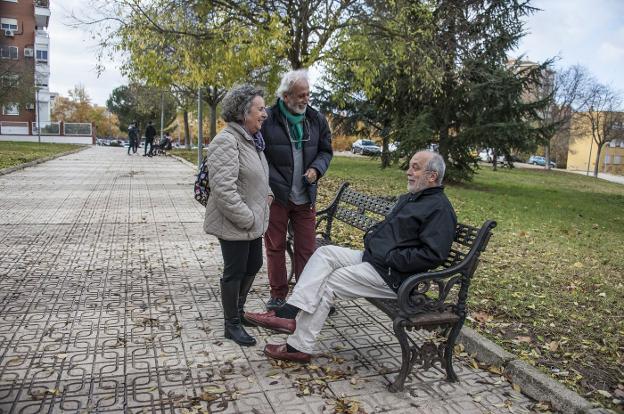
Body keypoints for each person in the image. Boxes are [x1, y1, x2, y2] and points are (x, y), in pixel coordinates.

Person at [245, 151, 457, 362]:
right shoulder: (413, 198)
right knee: (325, 253)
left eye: (415, 167)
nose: (408, 172)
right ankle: (289, 312)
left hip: (394, 276)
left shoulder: (440, 209)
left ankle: (298, 346)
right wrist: (373, 235)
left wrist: (390, 257)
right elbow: (389, 229)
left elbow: (432, 254)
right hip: (374, 260)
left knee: (328, 283)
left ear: (432, 176)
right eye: (410, 166)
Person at [203, 84, 272, 347]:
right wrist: (248, 218)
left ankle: (239, 313)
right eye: (260, 109)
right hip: (235, 221)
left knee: (253, 265)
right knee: (234, 271)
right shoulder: (226, 140)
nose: (265, 114)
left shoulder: (252, 140)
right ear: (244, 113)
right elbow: (223, 189)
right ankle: (231, 324)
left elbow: (258, 177)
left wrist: (269, 195)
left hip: (251, 220)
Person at [261, 69, 333, 311]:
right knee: (275, 246)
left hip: (305, 197)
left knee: (306, 249)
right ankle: (278, 295)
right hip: (277, 196)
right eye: (300, 95)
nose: (305, 100)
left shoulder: (316, 119)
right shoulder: (267, 119)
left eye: (308, 94)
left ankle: (305, 295)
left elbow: (326, 151)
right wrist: (270, 182)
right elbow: (258, 154)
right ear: (286, 96)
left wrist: (316, 169)